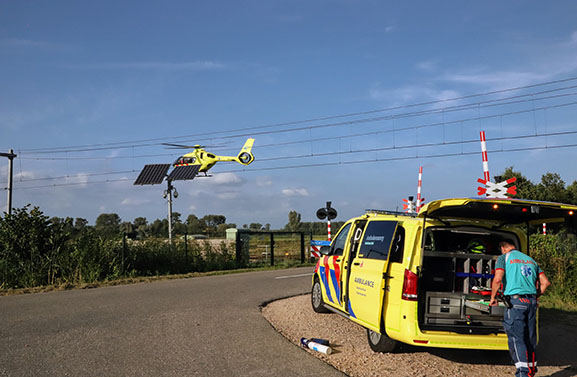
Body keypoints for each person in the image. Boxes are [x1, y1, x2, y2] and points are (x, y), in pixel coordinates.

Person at [490, 239, 551, 377]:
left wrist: (493, 297)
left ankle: (523, 374)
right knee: (529, 338)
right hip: (531, 302)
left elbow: (498, 279)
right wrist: (535, 296)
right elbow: (545, 282)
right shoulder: (531, 260)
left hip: (516, 303)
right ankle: (530, 371)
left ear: (503, 248)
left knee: (517, 339)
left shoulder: (503, 258)